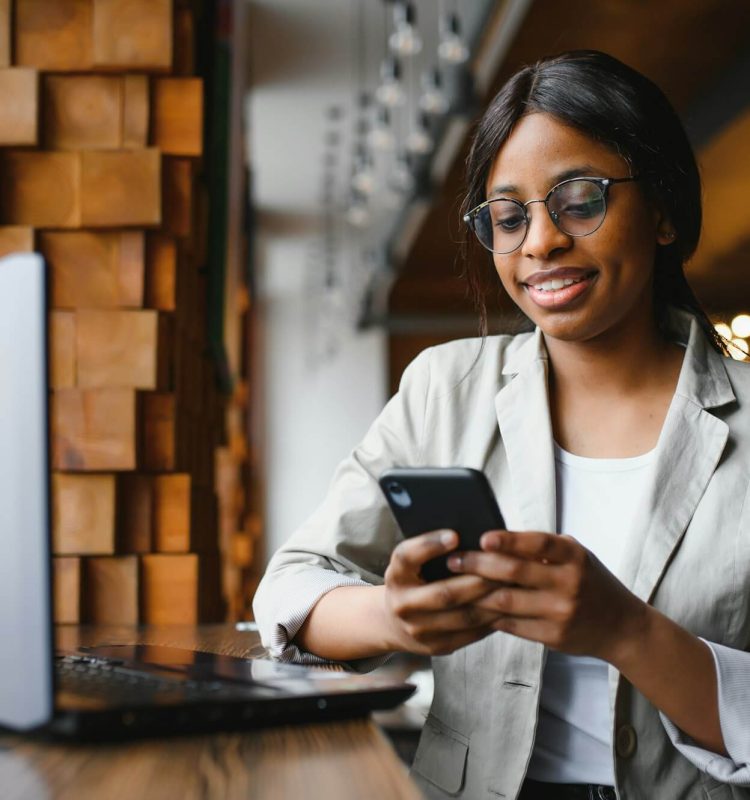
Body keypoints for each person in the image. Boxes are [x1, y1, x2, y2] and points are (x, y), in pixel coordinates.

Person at [253, 50, 750, 799]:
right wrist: (396, 618)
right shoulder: (443, 388)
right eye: (509, 217)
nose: (539, 243)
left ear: (666, 211)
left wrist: (628, 632)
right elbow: (291, 586)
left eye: (580, 200)